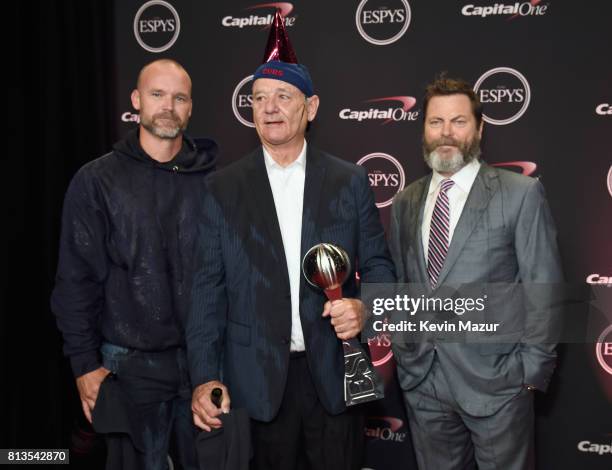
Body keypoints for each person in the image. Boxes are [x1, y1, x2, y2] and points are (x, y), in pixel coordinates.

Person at [186, 16, 395, 470]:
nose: (270, 107)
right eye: (260, 98)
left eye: (283, 96)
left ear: (311, 107)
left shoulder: (349, 180)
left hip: (333, 379)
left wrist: (365, 309)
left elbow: (378, 266)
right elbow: (205, 290)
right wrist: (204, 377)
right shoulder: (221, 188)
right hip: (254, 386)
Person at [388, 75, 563, 470]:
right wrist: (404, 350)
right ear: (424, 129)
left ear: (479, 128)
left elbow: (544, 289)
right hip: (423, 384)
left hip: (498, 385)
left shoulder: (520, 194)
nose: (446, 132)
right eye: (436, 122)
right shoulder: (405, 201)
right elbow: (403, 283)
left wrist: (529, 375)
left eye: (459, 121)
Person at [51, 58, 217, 470]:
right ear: (136, 101)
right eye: (157, 95)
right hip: (128, 365)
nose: (168, 106)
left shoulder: (215, 180)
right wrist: (84, 364)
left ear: (191, 107)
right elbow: (75, 280)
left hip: (204, 366)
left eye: (179, 98)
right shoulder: (96, 181)